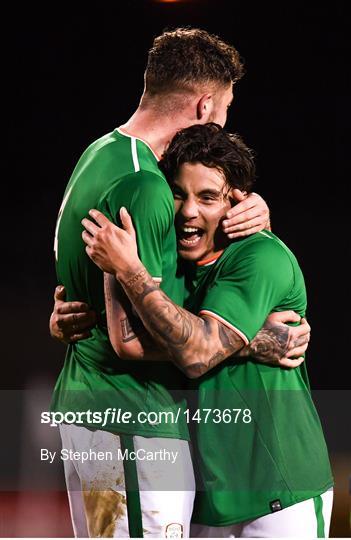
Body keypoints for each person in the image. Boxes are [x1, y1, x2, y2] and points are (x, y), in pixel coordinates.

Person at [50, 28, 310, 538]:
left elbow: (87, 294)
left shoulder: (99, 154)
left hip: (92, 413)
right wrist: (252, 341)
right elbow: (128, 340)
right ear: (205, 103)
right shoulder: (145, 185)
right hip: (130, 419)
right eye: (227, 108)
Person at [80, 123, 333, 538]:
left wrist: (128, 270)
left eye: (208, 197)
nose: (188, 211)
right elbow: (146, 340)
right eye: (178, 193)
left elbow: (196, 353)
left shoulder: (259, 256)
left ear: (236, 202)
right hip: (207, 500)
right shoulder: (177, 268)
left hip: (279, 494)